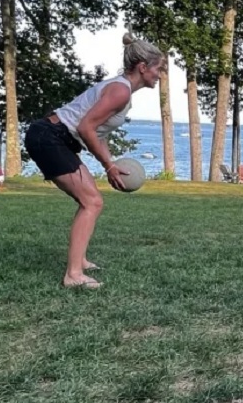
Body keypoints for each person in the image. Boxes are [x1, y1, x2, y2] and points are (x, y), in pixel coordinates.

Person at [25, 33, 163, 288]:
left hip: (55, 137)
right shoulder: (120, 91)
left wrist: (111, 161)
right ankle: (73, 275)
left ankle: (80, 261)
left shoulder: (122, 89)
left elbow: (98, 131)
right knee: (92, 201)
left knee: (90, 200)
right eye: (158, 69)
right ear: (143, 67)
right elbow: (87, 127)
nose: (159, 75)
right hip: (49, 137)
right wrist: (108, 166)